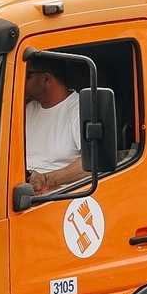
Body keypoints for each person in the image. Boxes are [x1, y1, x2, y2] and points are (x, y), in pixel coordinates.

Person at [24, 57, 88, 193]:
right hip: (20, 192)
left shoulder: (80, 109)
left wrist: (46, 179)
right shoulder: (26, 109)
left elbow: (92, 163)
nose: (21, 80)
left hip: (57, 198)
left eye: (27, 75)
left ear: (46, 79)